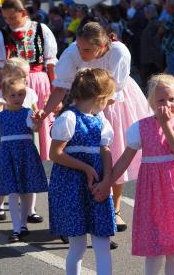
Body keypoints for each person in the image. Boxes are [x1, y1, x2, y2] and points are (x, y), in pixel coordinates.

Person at [39, 22, 152, 239]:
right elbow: (61, 87)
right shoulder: (73, 52)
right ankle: (74, 215)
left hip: (113, 101)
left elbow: (115, 90)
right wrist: (44, 114)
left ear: (102, 46)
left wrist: (96, 112)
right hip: (83, 102)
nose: (82, 53)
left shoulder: (118, 52)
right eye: (79, 47)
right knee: (80, 156)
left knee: (113, 152)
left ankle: (114, 209)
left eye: (87, 50)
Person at [106, 74, 174, 275]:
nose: (167, 104)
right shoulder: (140, 127)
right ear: (151, 103)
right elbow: (125, 159)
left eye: (172, 99)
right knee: (153, 247)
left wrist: (166, 124)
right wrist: (107, 182)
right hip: (151, 193)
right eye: (161, 100)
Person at [49, 68, 116, 275]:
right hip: (71, 185)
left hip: (97, 185)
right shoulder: (69, 118)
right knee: (77, 246)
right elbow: (55, 154)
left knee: (102, 243)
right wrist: (86, 167)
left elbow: (105, 150)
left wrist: (107, 179)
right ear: (100, 97)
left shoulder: (100, 120)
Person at [0, 0, 58, 162]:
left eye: (12, 17)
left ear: (23, 13)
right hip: (13, 86)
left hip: (39, 83)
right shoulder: (3, 35)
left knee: (38, 122)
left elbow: (51, 65)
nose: (9, 21)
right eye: (5, 18)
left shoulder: (41, 30)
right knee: (18, 127)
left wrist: (56, 94)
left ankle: (36, 166)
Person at [0, 78, 48, 242]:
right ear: (5, 97)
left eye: (21, 94)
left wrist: (38, 123)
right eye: (13, 95)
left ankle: (23, 225)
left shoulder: (28, 113)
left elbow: (35, 128)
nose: (17, 98)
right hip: (7, 155)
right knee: (12, 192)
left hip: (25, 153)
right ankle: (16, 228)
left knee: (26, 190)